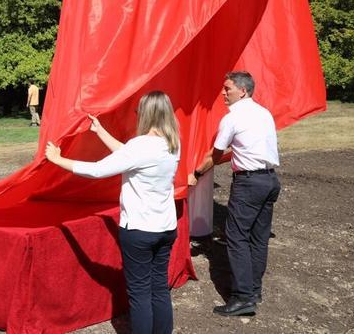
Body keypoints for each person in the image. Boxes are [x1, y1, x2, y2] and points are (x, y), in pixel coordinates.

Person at [45, 91, 180, 334]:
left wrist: (58, 160)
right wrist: (100, 131)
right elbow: (127, 155)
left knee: (139, 294)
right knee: (159, 288)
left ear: (146, 114)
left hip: (140, 230)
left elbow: (98, 170)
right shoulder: (172, 144)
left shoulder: (140, 146)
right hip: (166, 228)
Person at [189, 71, 281, 317]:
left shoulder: (233, 117)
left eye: (227, 88)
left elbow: (216, 154)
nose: (223, 93)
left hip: (249, 183)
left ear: (243, 91)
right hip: (270, 180)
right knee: (258, 238)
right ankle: (254, 290)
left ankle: (242, 298)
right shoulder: (264, 113)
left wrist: (196, 174)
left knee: (237, 237)